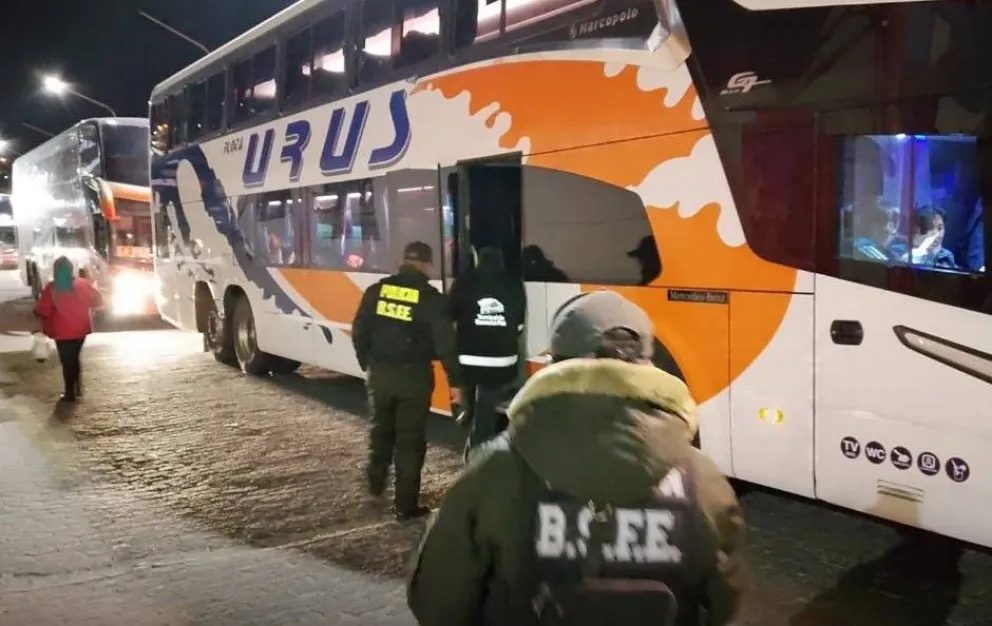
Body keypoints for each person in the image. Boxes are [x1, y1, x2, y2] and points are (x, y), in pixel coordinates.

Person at [407, 290, 746, 625]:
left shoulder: (495, 467)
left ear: (556, 365)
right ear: (648, 366)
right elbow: (725, 598)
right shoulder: (699, 478)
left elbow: (438, 601)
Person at [351, 241, 463, 521]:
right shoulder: (431, 299)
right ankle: (405, 506)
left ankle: (375, 489)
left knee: (380, 432)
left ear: (403, 260)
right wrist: (456, 383)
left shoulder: (376, 291)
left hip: (380, 374)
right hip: (414, 377)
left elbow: (359, 331)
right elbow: (446, 345)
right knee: (410, 441)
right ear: (427, 264)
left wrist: (368, 363)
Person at [448, 246, 527, 463]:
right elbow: (519, 326)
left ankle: (471, 438)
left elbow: (451, 315)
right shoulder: (513, 283)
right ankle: (477, 451)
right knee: (485, 405)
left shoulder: (464, 280)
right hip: (502, 362)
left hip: (467, 360)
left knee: (475, 399)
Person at [35, 256, 103, 402]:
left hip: (62, 331)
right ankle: (77, 388)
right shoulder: (83, 284)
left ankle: (69, 393)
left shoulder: (52, 287)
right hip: (81, 329)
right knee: (75, 358)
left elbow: (44, 311)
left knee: (67, 361)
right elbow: (98, 301)